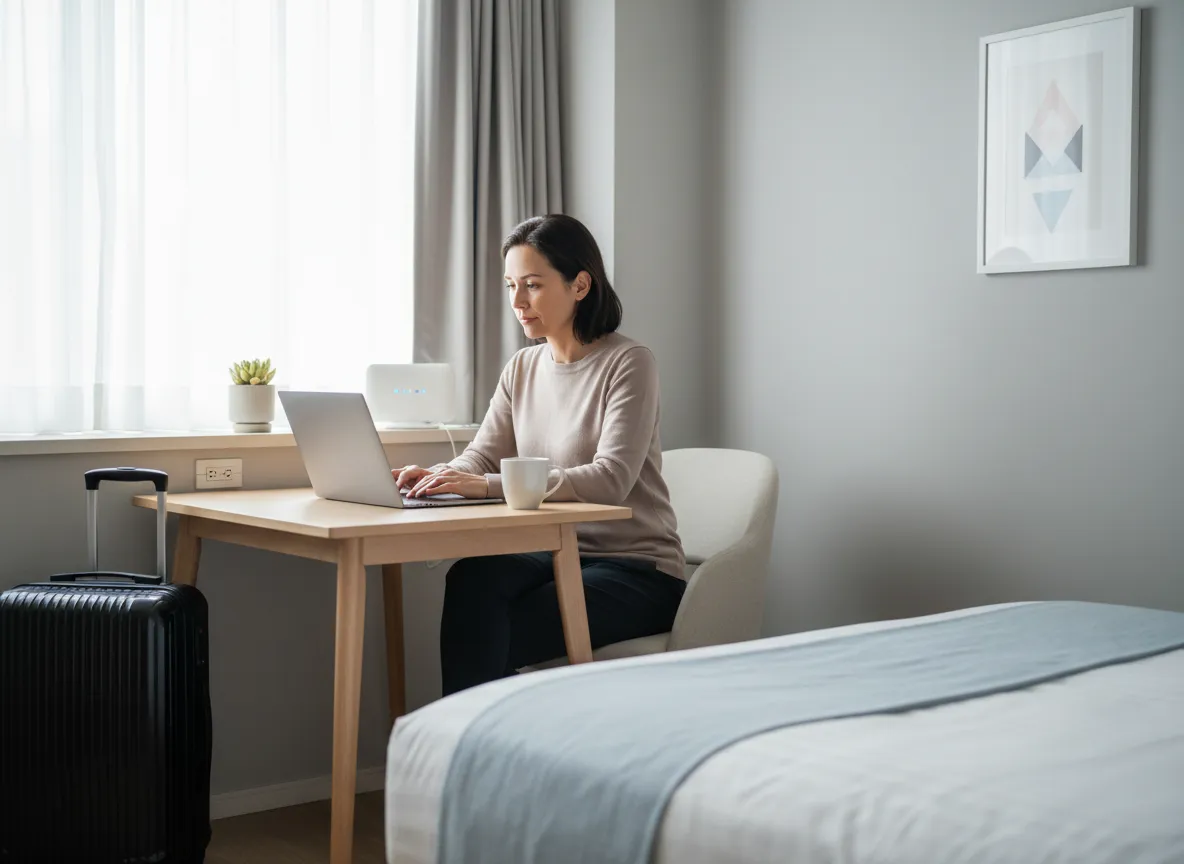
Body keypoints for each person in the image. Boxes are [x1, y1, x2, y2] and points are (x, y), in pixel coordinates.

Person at [393, 214, 686, 696]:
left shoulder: (629, 363)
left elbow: (610, 478)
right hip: (555, 551)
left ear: (580, 285)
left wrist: (484, 487)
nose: (517, 302)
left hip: (634, 568)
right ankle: (473, 735)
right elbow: (482, 455)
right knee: (472, 578)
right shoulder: (523, 367)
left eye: (532, 284)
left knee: (499, 627)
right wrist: (442, 475)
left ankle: (481, 734)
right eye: (511, 285)